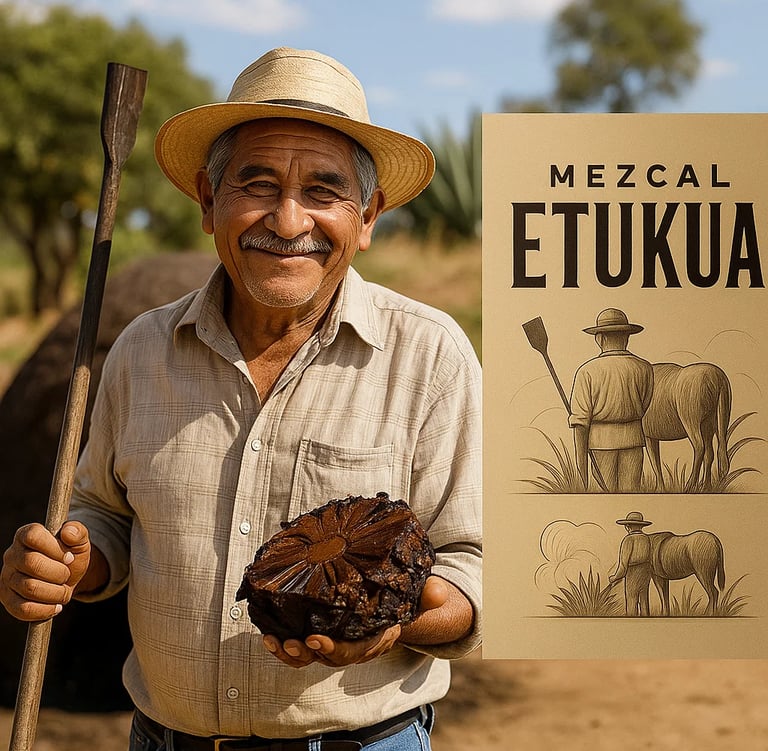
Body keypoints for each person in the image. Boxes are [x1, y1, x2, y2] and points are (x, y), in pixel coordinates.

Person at [0, 47, 481, 750]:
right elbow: (103, 512)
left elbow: (476, 564)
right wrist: (70, 561)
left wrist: (396, 621)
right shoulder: (140, 350)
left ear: (369, 214)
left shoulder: (430, 356)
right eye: (257, 184)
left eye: (324, 191)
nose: (288, 223)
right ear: (207, 201)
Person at [569, 308, 654, 493]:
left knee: (604, 503)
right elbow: (646, 403)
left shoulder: (587, 371)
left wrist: (581, 470)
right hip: (634, 440)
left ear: (599, 338)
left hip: (601, 444)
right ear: (627, 337)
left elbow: (580, 423)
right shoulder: (645, 368)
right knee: (631, 497)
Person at [609, 511, 653, 616]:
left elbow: (623, 566)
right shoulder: (646, 539)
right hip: (646, 573)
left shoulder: (628, 540)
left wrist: (614, 577)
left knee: (631, 602)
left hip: (632, 574)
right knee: (644, 602)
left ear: (628, 526)